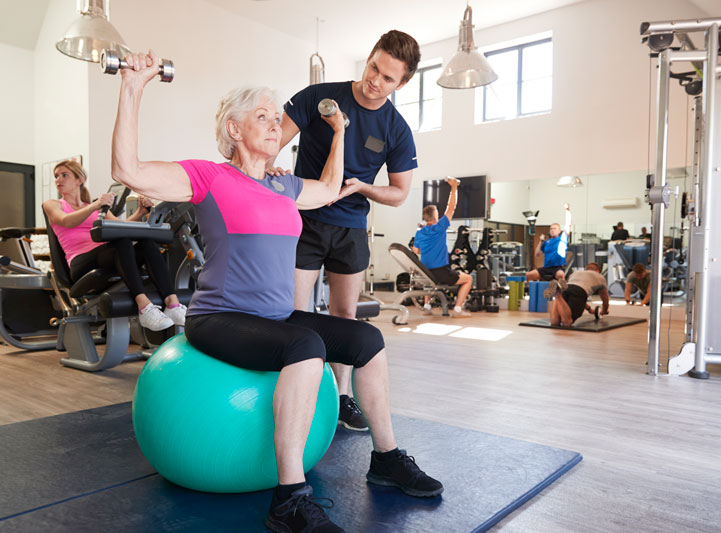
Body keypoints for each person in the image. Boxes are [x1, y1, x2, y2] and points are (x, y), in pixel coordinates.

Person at [111, 51, 442, 533]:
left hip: (274, 318)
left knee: (366, 340)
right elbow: (128, 170)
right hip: (220, 318)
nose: (274, 124)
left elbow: (329, 189)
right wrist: (133, 86)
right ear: (233, 130)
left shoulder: (282, 186)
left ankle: (386, 458)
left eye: (275, 116)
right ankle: (288, 498)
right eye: (261, 117)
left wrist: (340, 133)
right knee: (306, 347)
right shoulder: (207, 177)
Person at [277, 30, 421, 432]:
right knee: (294, 312)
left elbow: (398, 193)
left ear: (402, 84)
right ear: (370, 57)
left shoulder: (396, 129)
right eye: (374, 67)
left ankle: (341, 397)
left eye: (388, 78)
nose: (376, 80)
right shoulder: (317, 96)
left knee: (344, 315)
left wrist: (362, 187)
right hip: (304, 219)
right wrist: (272, 174)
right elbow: (270, 144)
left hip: (351, 227)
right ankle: (291, 389)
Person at [43, 160, 185, 331]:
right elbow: (65, 220)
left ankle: (172, 304)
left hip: (104, 255)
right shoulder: (53, 204)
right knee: (122, 242)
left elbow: (120, 226)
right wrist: (96, 205)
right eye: (56, 176)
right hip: (79, 261)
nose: (59, 179)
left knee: (146, 241)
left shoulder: (93, 207)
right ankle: (144, 307)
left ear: (79, 179)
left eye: (64, 175)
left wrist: (140, 212)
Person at [412, 177, 473, 317]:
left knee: (430, 281)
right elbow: (451, 207)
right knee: (468, 279)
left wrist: (427, 248)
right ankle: (458, 310)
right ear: (434, 219)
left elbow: (415, 251)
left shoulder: (419, 232)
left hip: (426, 271)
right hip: (441, 272)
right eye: (437, 216)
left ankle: (427, 307)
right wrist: (454, 187)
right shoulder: (440, 227)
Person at [544, 262, 609, 327]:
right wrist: (604, 311)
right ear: (598, 271)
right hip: (580, 291)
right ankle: (558, 295)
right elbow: (605, 299)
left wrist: (589, 309)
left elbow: (580, 301)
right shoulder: (600, 276)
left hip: (567, 288)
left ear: (587, 269)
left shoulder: (576, 273)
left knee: (555, 323)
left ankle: (558, 295)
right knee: (567, 322)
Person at [525, 203, 571, 282]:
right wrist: (541, 241)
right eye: (551, 229)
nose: (552, 230)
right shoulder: (547, 242)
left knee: (560, 275)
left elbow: (568, 224)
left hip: (557, 267)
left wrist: (567, 211)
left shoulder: (562, 239)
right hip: (546, 268)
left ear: (559, 231)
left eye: (555, 229)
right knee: (528, 275)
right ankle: (531, 292)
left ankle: (563, 292)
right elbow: (537, 254)